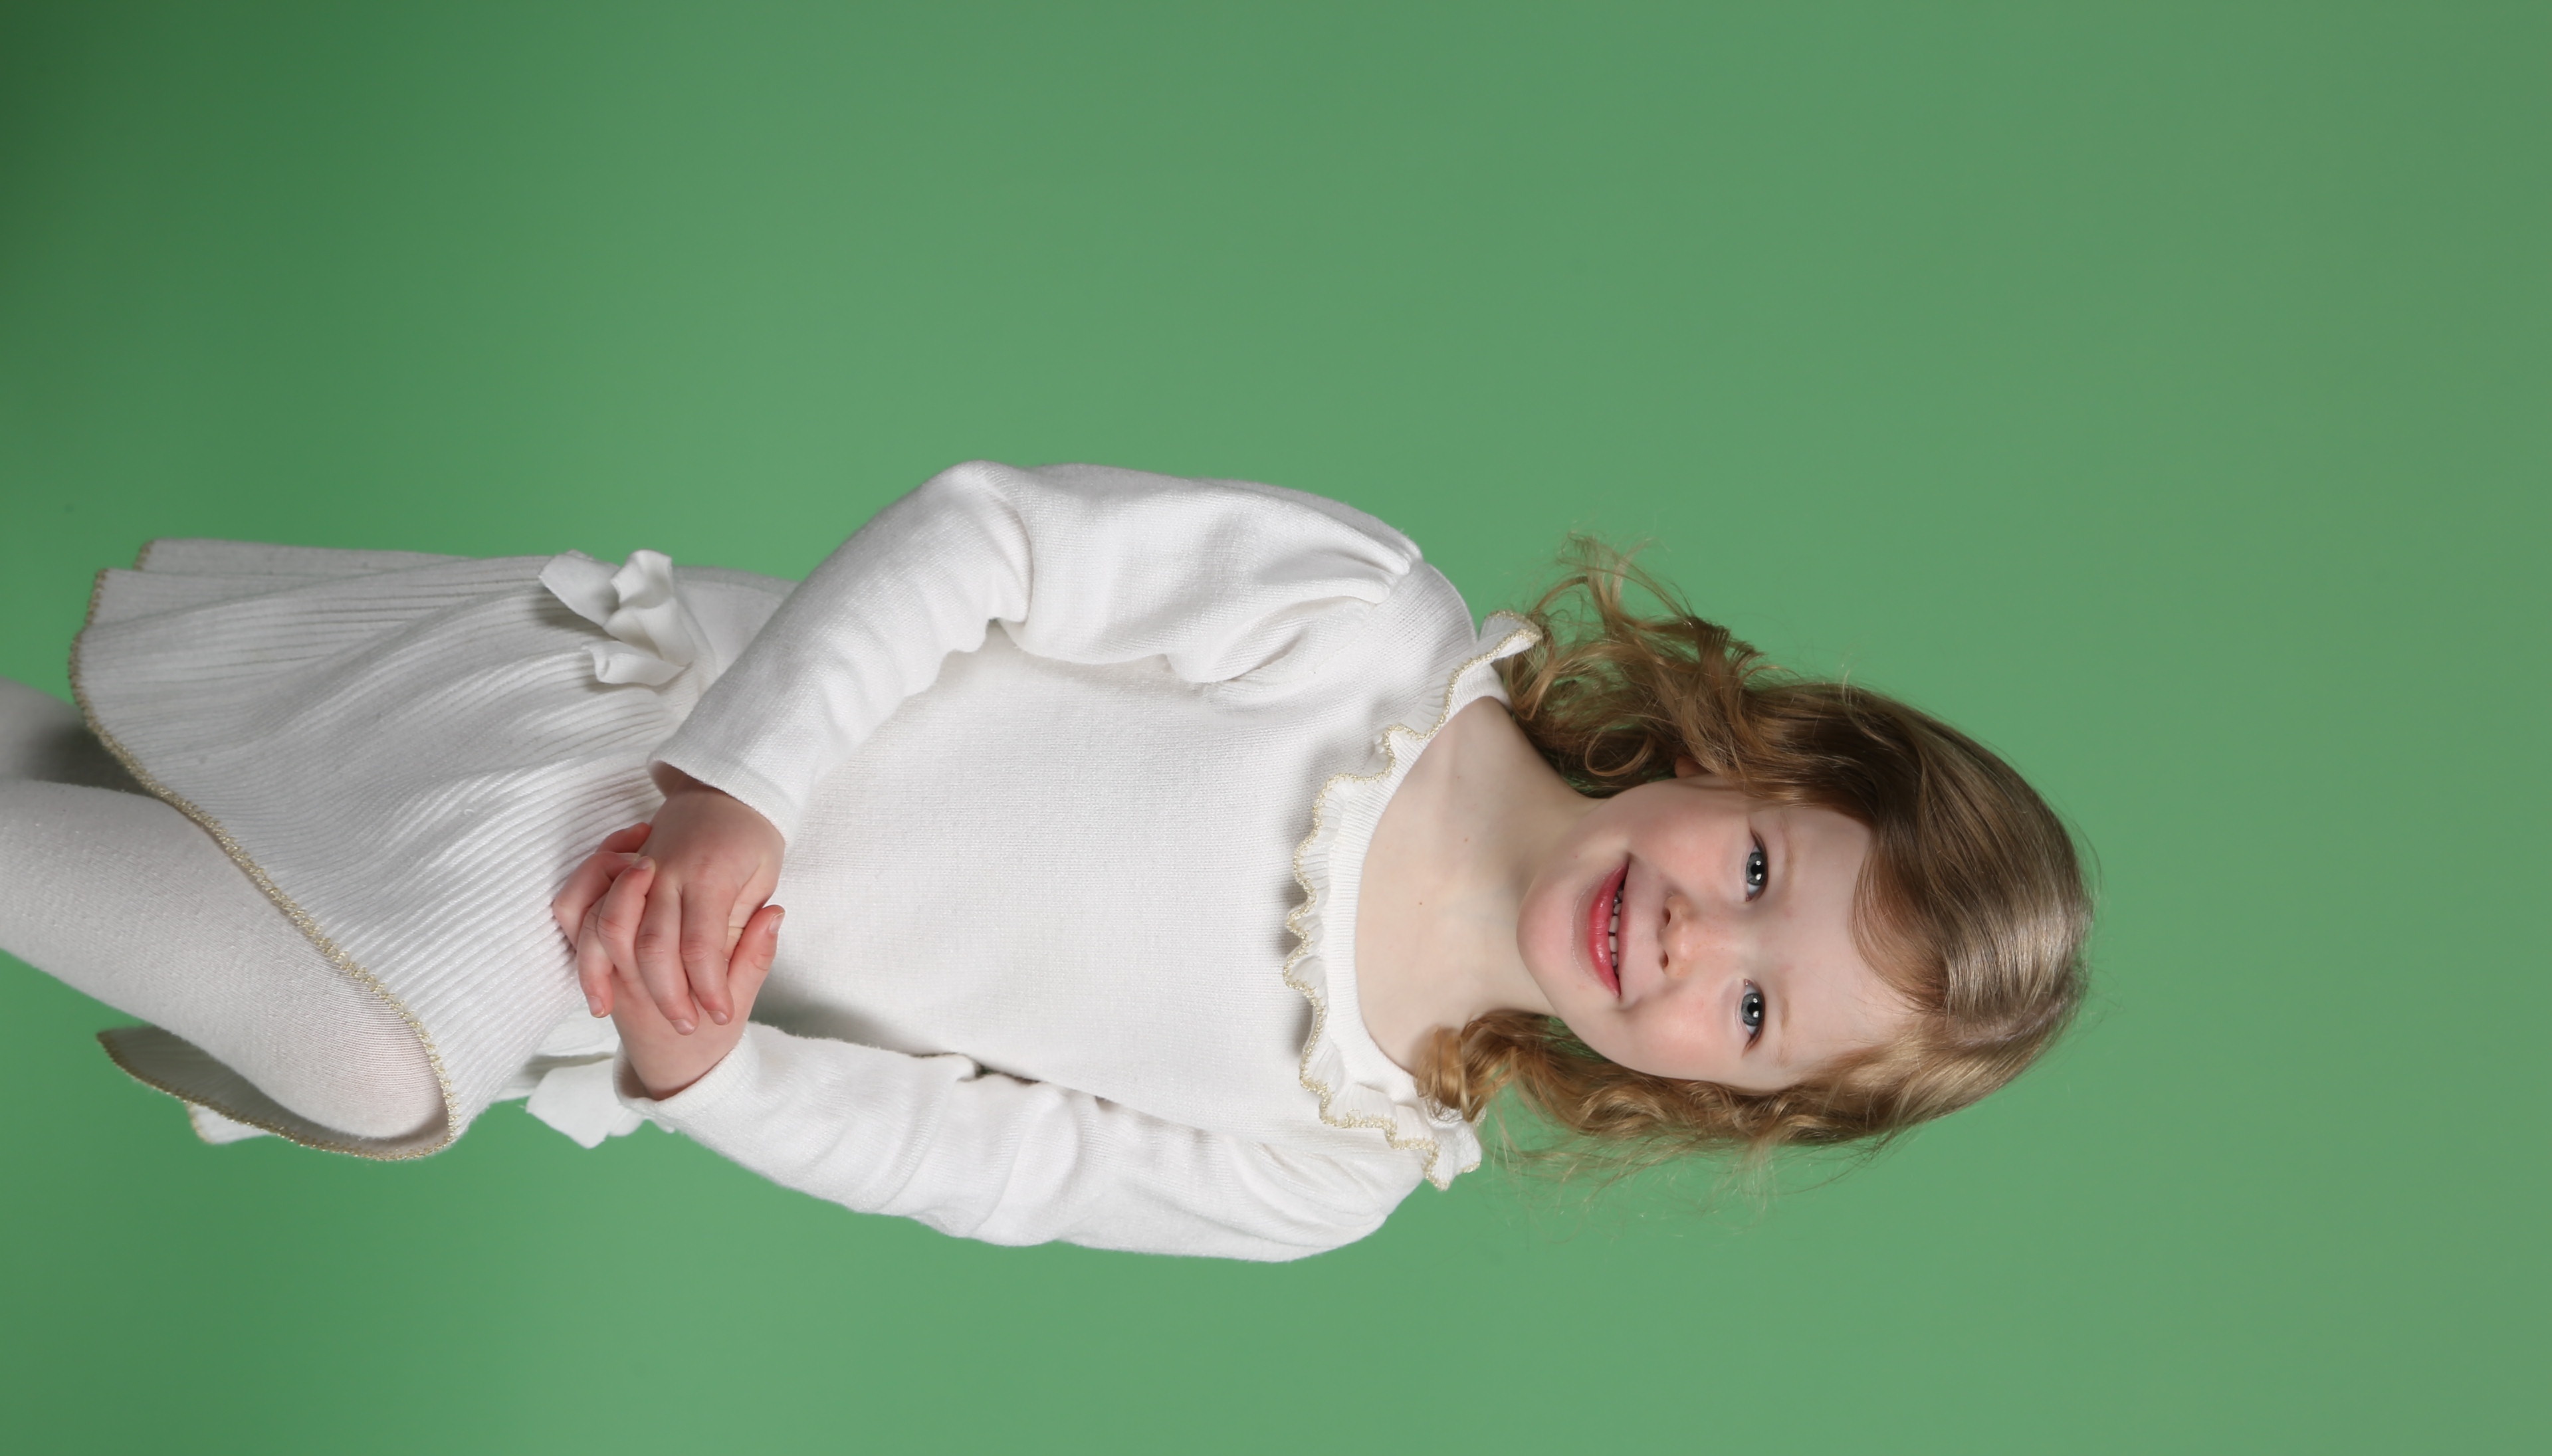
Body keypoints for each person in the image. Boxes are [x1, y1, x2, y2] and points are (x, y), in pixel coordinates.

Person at [0, 463, 2089, 1261]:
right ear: (1745, 756)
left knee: (239, 913)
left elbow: (987, 1165)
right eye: (1759, 868)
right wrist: (745, 787)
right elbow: (987, 540)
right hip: (653, 743)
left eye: (1756, 1007)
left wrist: (712, 1075)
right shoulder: (1364, 626)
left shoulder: (1328, 1169)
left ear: (1724, 1095)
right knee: (231, 890)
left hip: (618, 953)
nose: (1697, 939)